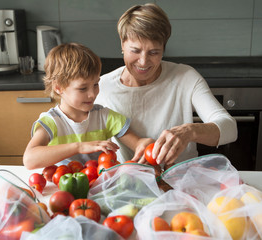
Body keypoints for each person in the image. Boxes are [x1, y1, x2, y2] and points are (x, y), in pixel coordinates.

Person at [95, 3, 237, 169]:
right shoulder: (102, 88)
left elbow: (230, 128)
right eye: (135, 50)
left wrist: (189, 131)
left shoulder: (185, 77)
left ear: (164, 48)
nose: (143, 61)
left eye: (154, 52)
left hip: (182, 180)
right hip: (129, 184)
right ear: (122, 44)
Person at [23, 43, 153, 169]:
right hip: (61, 188)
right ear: (58, 87)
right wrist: (79, 147)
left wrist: (145, 145)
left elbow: (138, 144)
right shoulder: (51, 122)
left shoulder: (104, 116)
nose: (92, 94)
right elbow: (29, 160)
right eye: (83, 88)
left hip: (99, 187)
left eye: (95, 84)